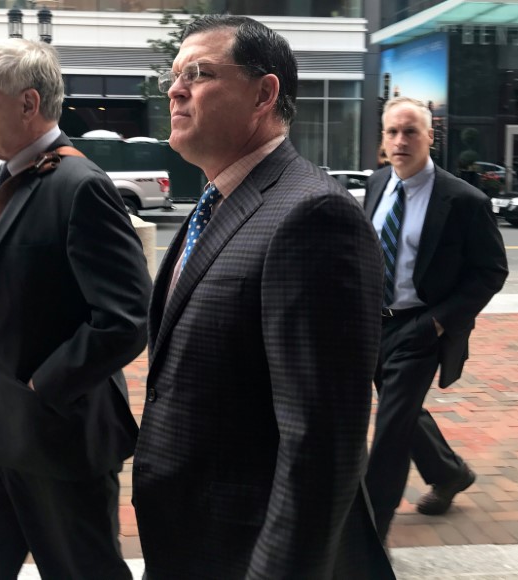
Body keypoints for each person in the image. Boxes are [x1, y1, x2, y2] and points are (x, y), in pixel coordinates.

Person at [132, 15, 394, 580]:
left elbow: (322, 445)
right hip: (188, 537)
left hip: (245, 550)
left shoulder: (313, 215)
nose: (176, 89)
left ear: (264, 93)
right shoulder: (216, 201)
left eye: (198, 74)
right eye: (173, 75)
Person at [0, 40, 151, 579]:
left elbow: (126, 319)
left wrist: (42, 388)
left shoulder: (81, 186)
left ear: (27, 103)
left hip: (57, 438)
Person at [364, 96, 509, 541]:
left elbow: (491, 270)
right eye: (392, 132)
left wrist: (439, 323)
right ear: (383, 140)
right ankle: (449, 473)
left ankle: (367, 536)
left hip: (421, 327)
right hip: (373, 323)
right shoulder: (377, 184)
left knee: (390, 427)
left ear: (431, 136)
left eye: (411, 131)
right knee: (402, 410)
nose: (401, 140)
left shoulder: (463, 200)